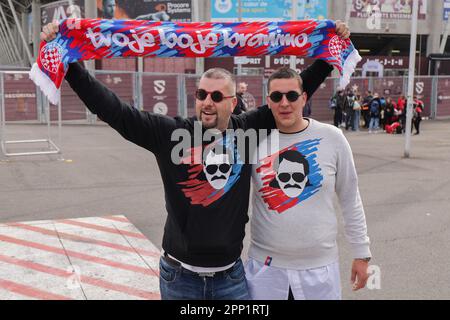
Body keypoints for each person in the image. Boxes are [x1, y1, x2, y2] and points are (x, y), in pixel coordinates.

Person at [40, 20, 350, 300]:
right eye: (202, 94)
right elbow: (115, 112)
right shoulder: (171, 133)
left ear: (233, 102)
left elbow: (301, 86)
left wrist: (330, 48)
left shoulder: (249, 129)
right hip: (179, 279)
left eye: (217, 96)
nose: (207, 102)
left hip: (231, 280)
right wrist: (72, 66)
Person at [245, 67, 372, 300]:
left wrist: (361, 253)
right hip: (266, 271)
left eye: (292, 96)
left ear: (303, 98)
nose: (284, 103)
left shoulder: (332, 138)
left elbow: (350, 198)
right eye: (276, 97)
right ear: (268, 102)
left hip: (319, 271)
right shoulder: (254, 141)